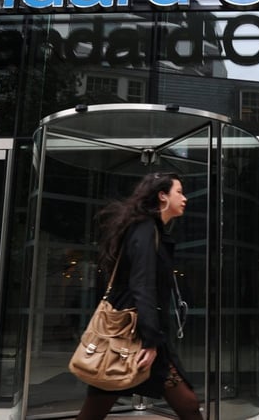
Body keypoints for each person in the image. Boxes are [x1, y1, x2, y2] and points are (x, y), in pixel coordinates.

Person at [76, 172, 200, 420]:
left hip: (141, 336)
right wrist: (151, 341)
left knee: (188, 404)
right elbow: (142, 286)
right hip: (131, 337)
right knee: (187, 405)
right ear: (162, 196)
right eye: (179, 192)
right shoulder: (144, 230)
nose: (185, 198)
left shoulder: (150, 230)